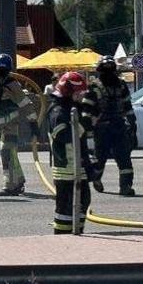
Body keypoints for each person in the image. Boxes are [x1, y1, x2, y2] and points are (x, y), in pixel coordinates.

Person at [0, 53, 35, 195]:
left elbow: (25, 104)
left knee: (6, 152)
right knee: (10, 153)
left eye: (1, 70)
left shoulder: (12, 85)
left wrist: (33, 123)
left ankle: (10, 185)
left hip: (11, 124)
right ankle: (19, 179)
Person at [82, 55, 136, 196]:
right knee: (100, 158)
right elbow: (87, 110)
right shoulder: (94, 87)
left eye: (110, 70)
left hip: (118, 126)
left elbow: (127, 106)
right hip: (102, 128)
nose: (108, 73)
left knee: (124, 158)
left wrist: (132, 124)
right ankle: (96, 178)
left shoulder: (121, 85)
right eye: (106, 70)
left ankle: (125, 187)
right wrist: (88, 131)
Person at [47, 71, 92, 234]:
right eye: (79, 93)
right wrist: (83, 126)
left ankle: (77, 231)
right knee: (65, 208)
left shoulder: (71, 108)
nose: (82, 97)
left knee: (83, 200)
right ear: (68, 92)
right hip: (66, 169)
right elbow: (63, 135)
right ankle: (63, 236)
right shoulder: (58, 111)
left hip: (77, 167)